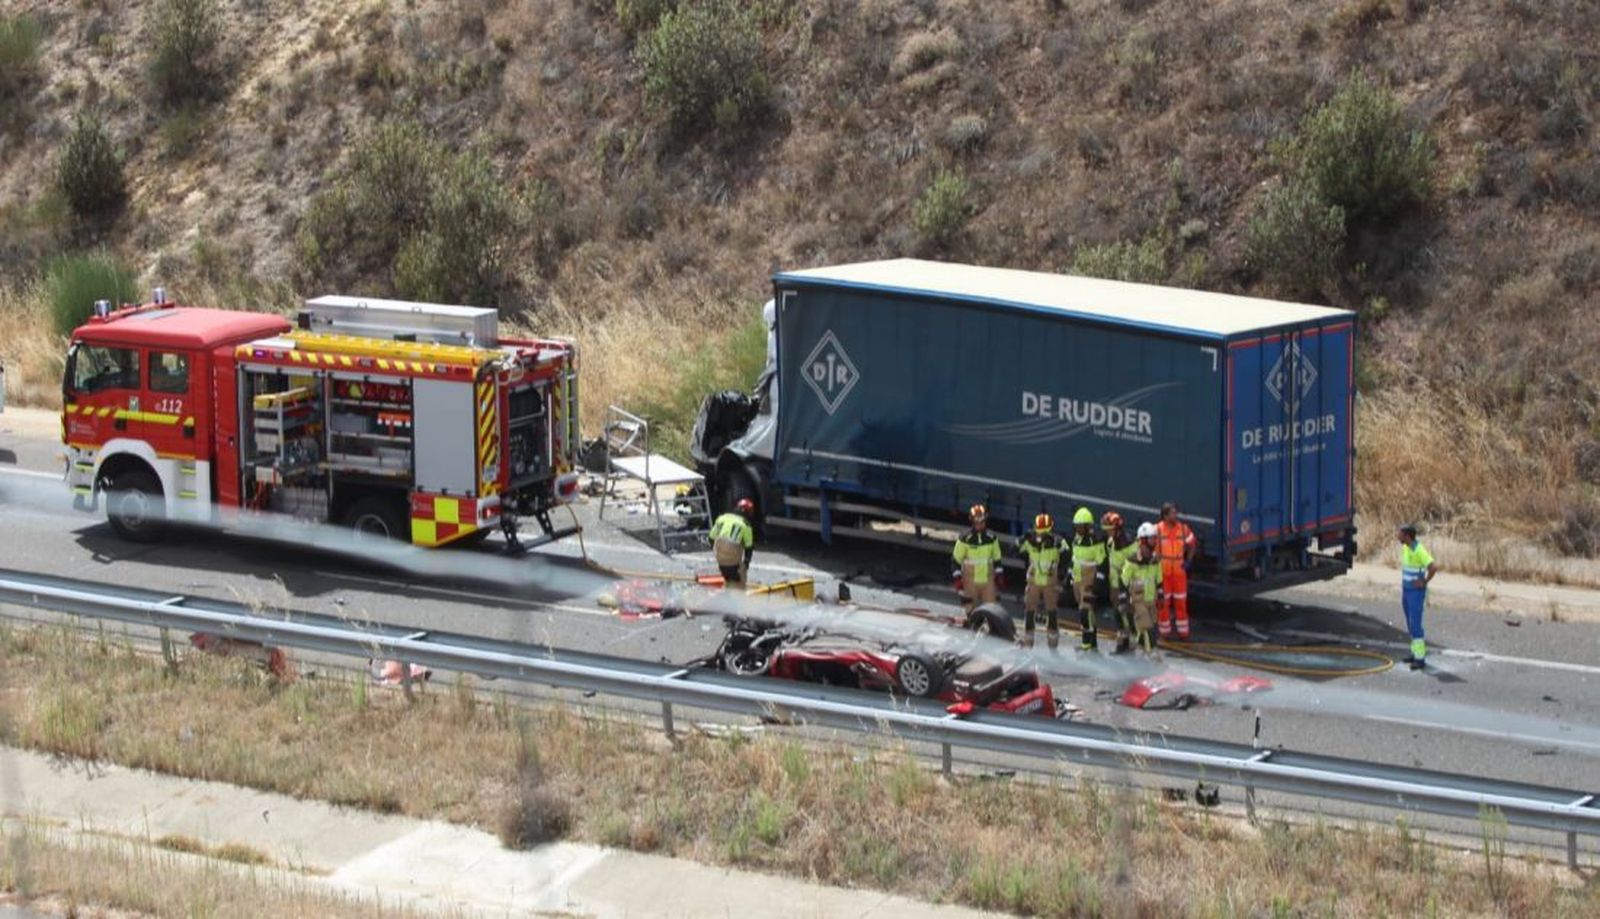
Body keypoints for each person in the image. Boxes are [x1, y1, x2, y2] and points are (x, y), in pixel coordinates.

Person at [1017, 513, 1064, 650]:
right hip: (1034, 582)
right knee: (1030, 610)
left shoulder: (1057, 542)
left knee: (1052, 612)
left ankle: (1053, 643)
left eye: (1044, 531)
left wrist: (1061, 575)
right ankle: (1028, 641)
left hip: (1050, 583)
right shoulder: (1030, 541)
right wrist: (1023, 539)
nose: (1041, 534)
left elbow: (1067, 555)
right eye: (1039, 531)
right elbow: (1015, 550)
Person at [1155, 502, 1198, 641]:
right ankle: (1165, 633)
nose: (1176, 515)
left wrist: (1188, 560)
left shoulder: (1183, 529)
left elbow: (1192, 544)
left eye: (1176, 512)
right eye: (1173, 513)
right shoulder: (1157, 530)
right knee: (1163, 604)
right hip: (1163, 573)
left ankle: (1183, 634)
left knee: (1181, 603)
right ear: (1165, 515)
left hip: (1179, 573)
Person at [1398, 523, 1437, 670]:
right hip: (1407, 591)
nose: (1398, 536)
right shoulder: (1405, 547)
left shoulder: (1419, 550)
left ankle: (1420, 659)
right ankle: (1414, 653)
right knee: (1410, 624)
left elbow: (1433, 567)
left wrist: (1424, 581)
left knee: (1415, 625)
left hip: (1415, 593)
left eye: (1400, 534)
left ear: (1407, 536)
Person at [1121, 523, 1163, 657]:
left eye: (1155, 538)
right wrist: (1123, 597)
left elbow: (1159, 579)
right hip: (1138, 599)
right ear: (1143, 540)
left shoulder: (1155, 560)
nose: (1154, 541)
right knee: (1147, 624)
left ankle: (1139, 646)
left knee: (1152, 624)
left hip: (1151, 598)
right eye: (1151, 538)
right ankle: (1153, 652)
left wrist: (1161, 595)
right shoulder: (1132, 561)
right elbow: (1124, 580)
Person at [1068, 507, 1107, 650]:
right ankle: (1092, 642)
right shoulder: (1076, 540)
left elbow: (1102, 563)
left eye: (1080, 526)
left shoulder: (1095, 542)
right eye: (1076, 526)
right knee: (1084, 611)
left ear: (1087, 526)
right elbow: (1074, 559)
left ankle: (1087, 642)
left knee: (1086, 610)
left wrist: (1098, 582)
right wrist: (1069, 575)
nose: (1078, 529)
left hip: (1089, 581)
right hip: (1077, 580)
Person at [953, 504, 1002, 614]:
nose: (980, 525)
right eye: (977, 522)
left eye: (982, 522)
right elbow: (956, 559)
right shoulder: (965, 538)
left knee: (992, 610)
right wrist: (957, 578)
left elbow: (997, 558)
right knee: (971, 611)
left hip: (988, 580)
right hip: (970, 580)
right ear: (972, 521)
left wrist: (999, 575)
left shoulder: (992, 538)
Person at [1102, 511, 1138, 654]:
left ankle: (1132, 640)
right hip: (1115, 583)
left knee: (1128, 611)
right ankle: (1122, 641)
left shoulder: (1130, 544)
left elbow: (1135, 565)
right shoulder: (1111, 542)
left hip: (1127, 585)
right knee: (1117, 612)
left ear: (1117, 528)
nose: (1107, 532)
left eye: (1109, 529)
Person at [710, 498, 756, 586]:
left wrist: (717, 553)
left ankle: (728, 584)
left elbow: (711, 538)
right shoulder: (745, 525)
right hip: (733, 558)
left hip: (719, 557)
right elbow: (749, 547)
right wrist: (746, 564)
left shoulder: (722, 518)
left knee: (727, 576)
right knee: (740, 578)